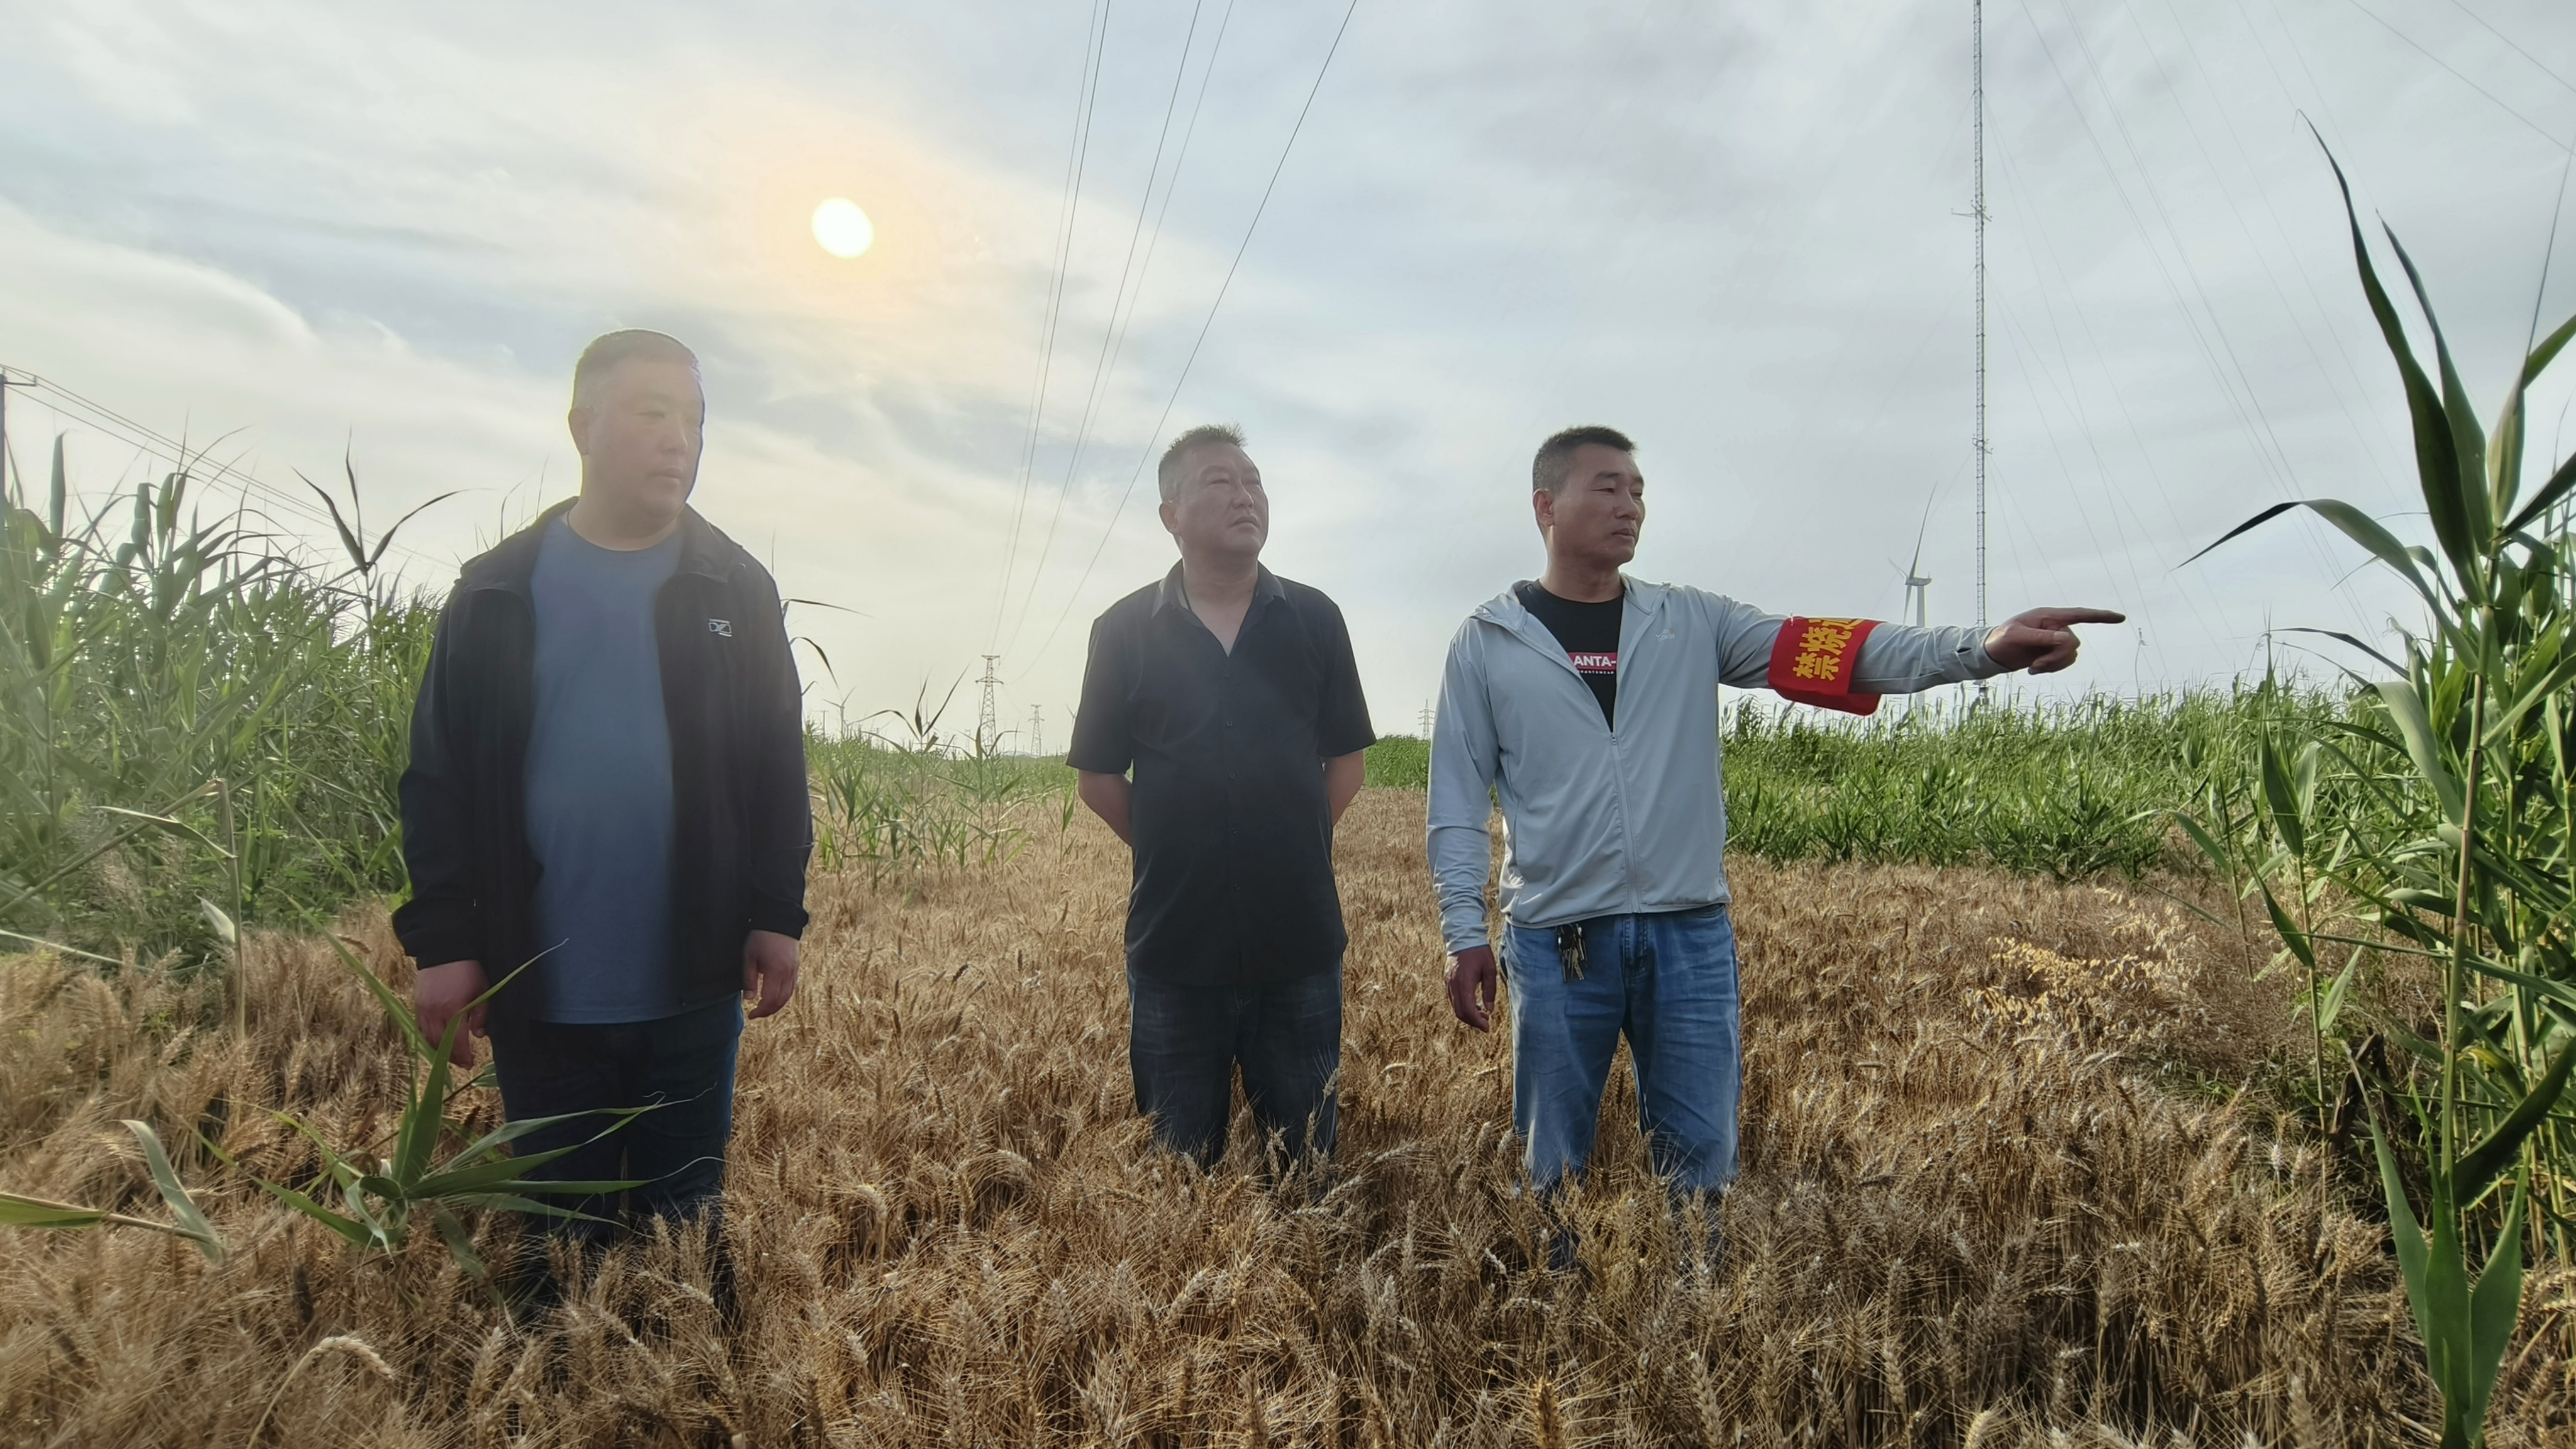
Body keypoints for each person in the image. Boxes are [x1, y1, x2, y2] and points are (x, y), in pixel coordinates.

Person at [1428, 425, 2119, 1268]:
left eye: (1638, 490)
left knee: (1701, 1167)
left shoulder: (1690, 621)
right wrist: (1463, 930)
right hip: (1556, 942)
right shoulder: (1489, 642)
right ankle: (1555, 1306)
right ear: (1545, 505)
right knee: (1552, 1165)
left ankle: (1701, 1312)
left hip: (1689, 937)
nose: (1630, 505)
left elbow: (1840, 651)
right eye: (1607, 487)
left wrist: (1982, 649)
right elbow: (1455, 800)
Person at [392, 329, 811, 1299]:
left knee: (685, 1235)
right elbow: (439, 778)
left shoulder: (734, 587)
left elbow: (774, 765)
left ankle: (692, 1371)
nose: (680, 440)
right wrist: (445, 944)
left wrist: (776, 912)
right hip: (539, 983)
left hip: (691, 979)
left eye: (695, 420)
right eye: (653, 414)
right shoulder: (496, 591)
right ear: (583, 427)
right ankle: (555, 1374)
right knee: (558, 1246)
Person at [1069, 424, 1375, 1171]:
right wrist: (1179, 846)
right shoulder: (1123, 631)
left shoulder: (1316, 619)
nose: (1246, 496)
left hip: (1298, 939)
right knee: (1179, 1174)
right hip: (1175, 944)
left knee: (1305, 1173)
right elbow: (1098, 779)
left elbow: (1347, 764)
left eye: (1254, 481)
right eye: (1220, 482)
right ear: (1170, 514)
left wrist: (1289, 839)